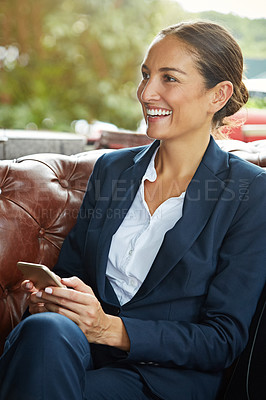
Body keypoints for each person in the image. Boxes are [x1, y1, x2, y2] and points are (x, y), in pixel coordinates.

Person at [0, 20, 266, 400]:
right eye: (146, 75)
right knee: (44, 330)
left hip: (162, 378)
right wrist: (56, 297)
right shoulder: (112, 170)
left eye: (169, 78)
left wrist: (108, 329)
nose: (146, 92)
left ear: (218, 95)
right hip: (76, 351)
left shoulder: (249, 192)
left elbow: (222, 339)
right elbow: (71, 272)